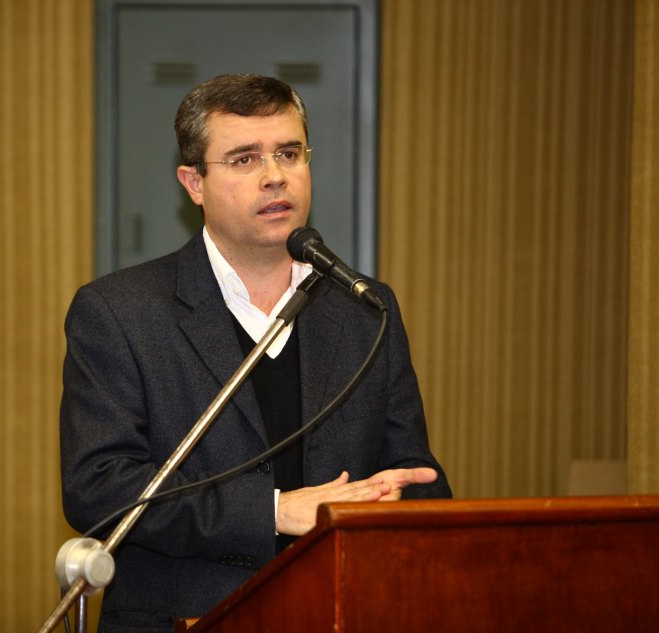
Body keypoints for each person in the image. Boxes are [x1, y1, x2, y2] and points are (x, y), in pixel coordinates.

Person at [60, 74, 451, 632]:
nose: (274, 176)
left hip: (339, 610)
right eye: (244, 159)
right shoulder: (120, 312)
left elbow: (416, 474)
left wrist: (394, 499)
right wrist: (274, 511)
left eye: (289, 153)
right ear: (193, 183)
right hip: (185, 618)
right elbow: (99, 489)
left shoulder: (365, 307)